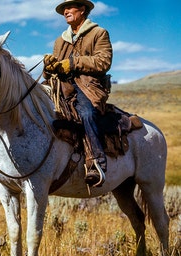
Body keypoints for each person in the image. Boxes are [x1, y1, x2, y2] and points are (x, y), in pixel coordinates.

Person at [43, 0, 113, 187]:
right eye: (63, 9)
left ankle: (96, 162)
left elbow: (103, 62)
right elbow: (55, 69)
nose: (65, 11)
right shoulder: (60, 40)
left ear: (82, 9)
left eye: (70, 7)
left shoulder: (99, 33)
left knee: (87, 114)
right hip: (61, 87)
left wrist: (73, 63)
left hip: (87, 88)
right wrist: (49, 67)